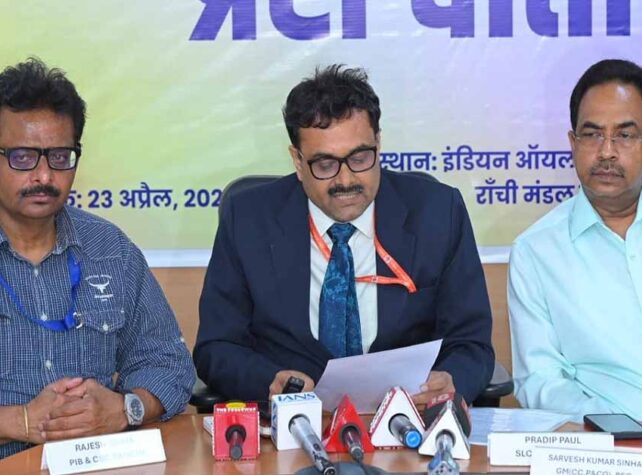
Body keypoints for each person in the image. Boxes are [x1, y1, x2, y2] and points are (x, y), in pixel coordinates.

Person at [195, 64, 494, 406]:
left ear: (378, 144)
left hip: (406, 417)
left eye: (360, 158)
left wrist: (451, 379)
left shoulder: (437, 213)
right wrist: (268, 382)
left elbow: (471, 343)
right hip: (293, 423)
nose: (346, 180)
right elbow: (216, 347)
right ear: (297, 161)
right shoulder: (248, 219)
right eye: (325, 165)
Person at [508, 59, 642, 466]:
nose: (606, 152)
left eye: (624, 135)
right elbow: (540, 381)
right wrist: (621, 434)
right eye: (592, 135)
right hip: (617, 461)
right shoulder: (536, 253)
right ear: (572, 143)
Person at [0, 58, 195, 459]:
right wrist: (20, 421)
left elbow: (170, 365)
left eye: (60, 156)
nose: (43, 176)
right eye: (22, 157)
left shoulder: (110, 249)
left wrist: (125, 409)